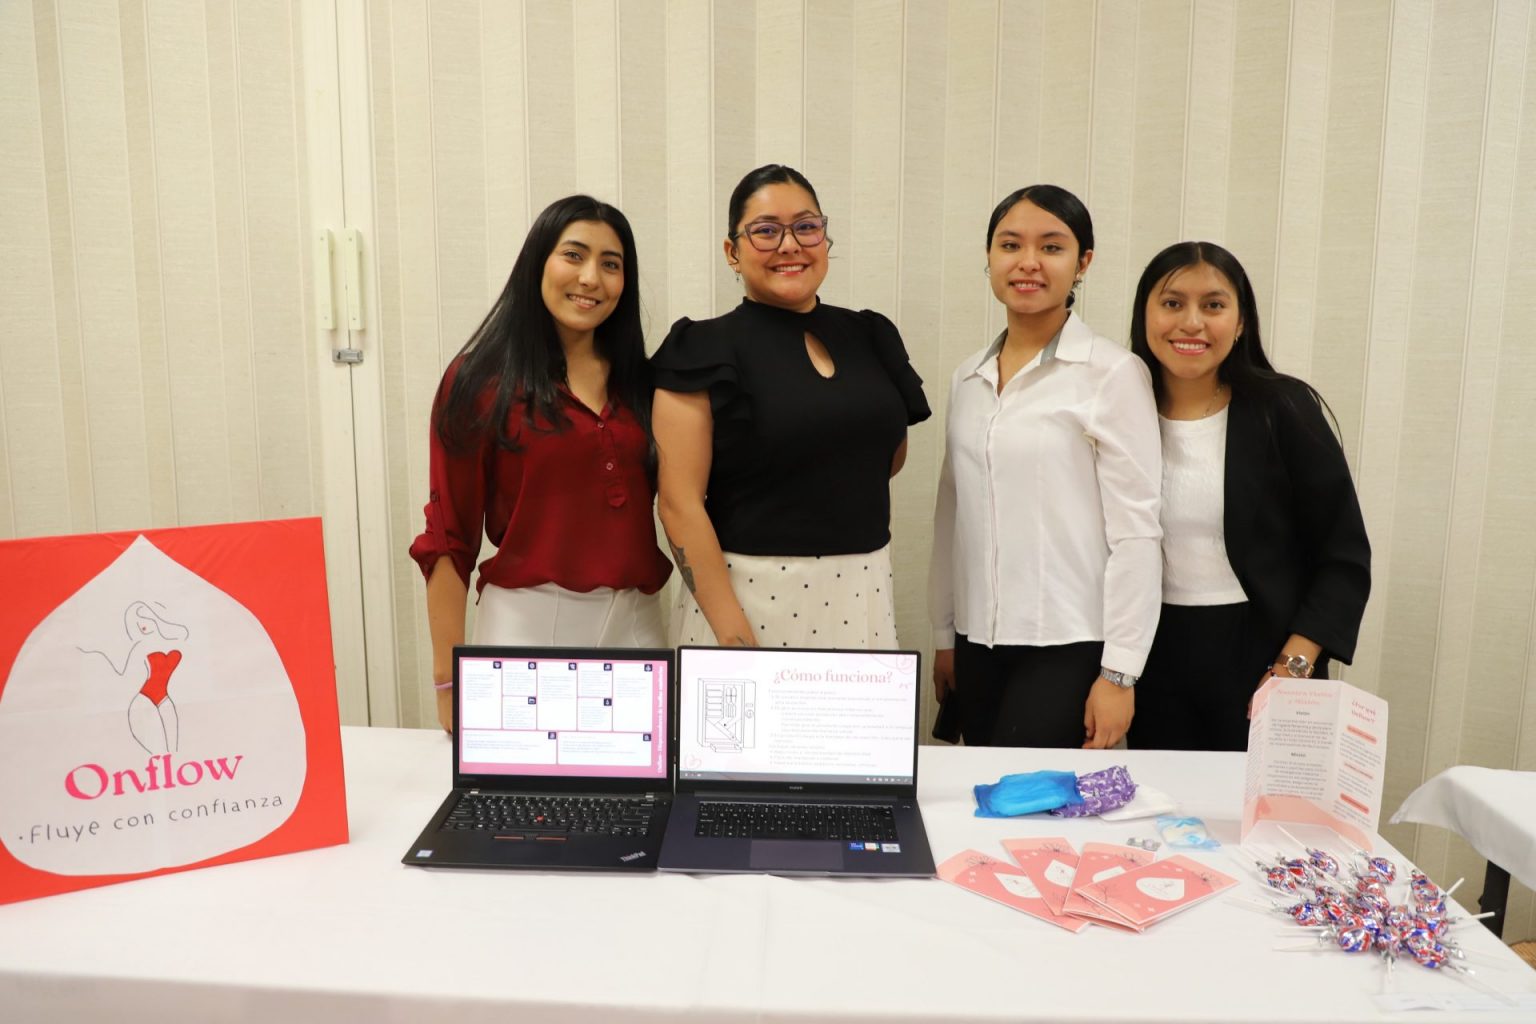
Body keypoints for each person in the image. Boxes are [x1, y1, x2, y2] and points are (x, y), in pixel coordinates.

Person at [409, 195, 672, 733]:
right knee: (526, 789)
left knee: (640, 786)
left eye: (611, 264)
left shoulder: (644, 384)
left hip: (638, 623)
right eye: (573, 255)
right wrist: (447, 680)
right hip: (527, 626)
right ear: (538, 263)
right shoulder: (479, 382)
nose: (591, 278)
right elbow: (449, 539)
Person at [651, 164, 930, 649]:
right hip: (745, 602)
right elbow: (679, 505)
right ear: (732, 252)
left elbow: (882, 459)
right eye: (766, 231)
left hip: (862, 590)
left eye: (806, 226)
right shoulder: (699, 349)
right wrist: (735, 641)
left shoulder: (871, 335)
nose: (789, 245)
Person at [928, 185, 1162, 749]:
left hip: (1070, 644)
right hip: (977, 643)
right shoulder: (968, 377)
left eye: (1051, 247)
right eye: (1010, 245)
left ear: (1083, 263)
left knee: (1033, 797)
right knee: (979, 794)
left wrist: (1120, 672)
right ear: (989, 257)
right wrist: (944, 634)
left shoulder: (1111, 373)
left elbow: (1137, 532)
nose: (1028, 262)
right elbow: (952, 515)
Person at [1126, 241, 1370, 751]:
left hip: (1263, 655)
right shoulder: (1118, 410)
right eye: (1172, 303)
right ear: (1145, 315)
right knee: (1164, 799)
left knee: (1258, 803)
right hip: (1150, 652)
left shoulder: (1282, 408)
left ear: (1240, 323)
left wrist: (1293, 666)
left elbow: (1343, 555)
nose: (1192, 322)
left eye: (1213, 305)